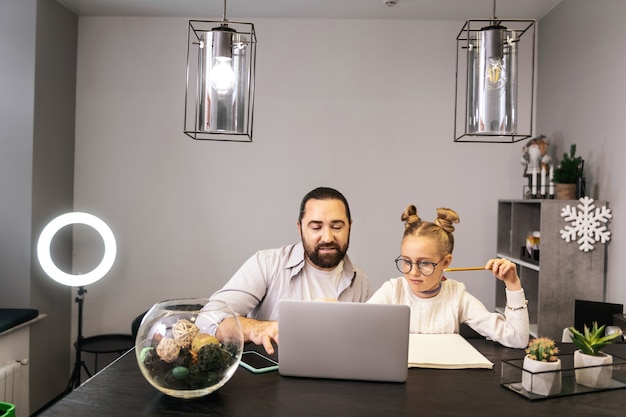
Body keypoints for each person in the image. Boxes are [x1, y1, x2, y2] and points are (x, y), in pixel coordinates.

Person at [210, 187, 372, 354]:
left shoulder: (361, 281)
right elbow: (208, 319)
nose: (327, 237)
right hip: (272, 377)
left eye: (337, 227)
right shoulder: (267, 264)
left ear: (350, 227)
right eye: (316, 227)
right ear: (300, 227)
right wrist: (260, 328)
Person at [367, 205, 529, 349]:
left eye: (424, 263)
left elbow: (517, 339)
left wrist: (512, 284)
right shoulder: (393, 290)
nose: (413, 272)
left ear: (446, 262)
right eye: (407, 261)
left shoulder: (456, 296)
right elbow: (359, 328)